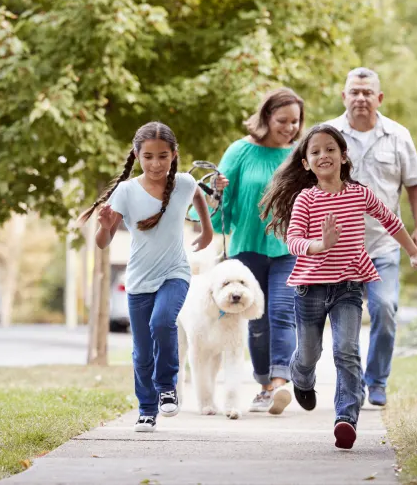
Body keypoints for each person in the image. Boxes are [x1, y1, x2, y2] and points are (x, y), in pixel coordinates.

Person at [260, 124, 417, 449]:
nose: (323, 155)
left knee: (347, 351)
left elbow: (391, 220)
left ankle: (345, 418)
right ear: (306, 164)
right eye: (315, 152)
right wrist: (320, 245)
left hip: (348, 287)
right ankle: (302, 379)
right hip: (310, 288)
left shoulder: (359, 193)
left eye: (330, 149)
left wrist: (413, 253)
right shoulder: (305, 199)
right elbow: (294, 240)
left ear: (343, 155)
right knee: (309, 353)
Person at [77, 121, 213, 432]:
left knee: (162, 323)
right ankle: (147, 409)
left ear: (174, 154)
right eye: (148, 156)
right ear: (137, 155)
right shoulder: (125, 191)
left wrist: (207, 231)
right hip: (138, 279)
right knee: (141, 351)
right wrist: (104, 225)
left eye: (163, 156)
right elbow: (102, 243)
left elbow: (199, 198)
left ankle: (167, 386)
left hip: (175, 272)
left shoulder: (184, 183)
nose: (156, 163)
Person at [325, 67, 417, 407]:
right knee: (344, 323)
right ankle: (350, 386)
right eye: (354, 91)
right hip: (340, 248)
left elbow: (414, 183)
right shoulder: (328, 136)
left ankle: (378, 380)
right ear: (344, 97)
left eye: (367, 92)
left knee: (385, 309)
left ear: (379, 98)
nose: (360, 98)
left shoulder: (398, 136)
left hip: (385, 244)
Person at [208, 87, 305, 414]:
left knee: (281, 313)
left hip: (287, 248)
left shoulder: (298, 156)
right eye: (283, 120)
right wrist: (216, 191)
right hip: (246, 248)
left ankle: (280, 383)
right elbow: (219, 203)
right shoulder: (239, 151)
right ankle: (263, 384)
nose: (290, 128)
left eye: (295, 121)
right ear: (266, 117)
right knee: (257, 320)